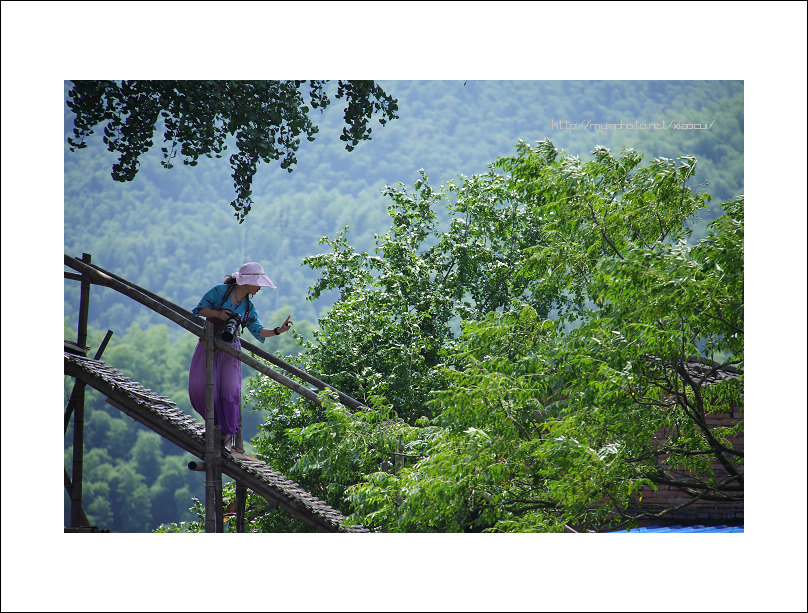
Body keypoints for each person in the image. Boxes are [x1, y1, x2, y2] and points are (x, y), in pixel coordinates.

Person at [188, 262, 292, 456]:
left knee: (229, 392)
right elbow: (200, 309)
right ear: (249, 282)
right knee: (199, 386)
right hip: (207, 343)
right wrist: (219, 314)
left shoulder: (248, 308)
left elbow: (259, 330)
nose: (260, 288)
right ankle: (212, 427)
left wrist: (279, 330)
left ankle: (223, 438)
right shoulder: (220, 292)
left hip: (230, 350)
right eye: (258, 283)